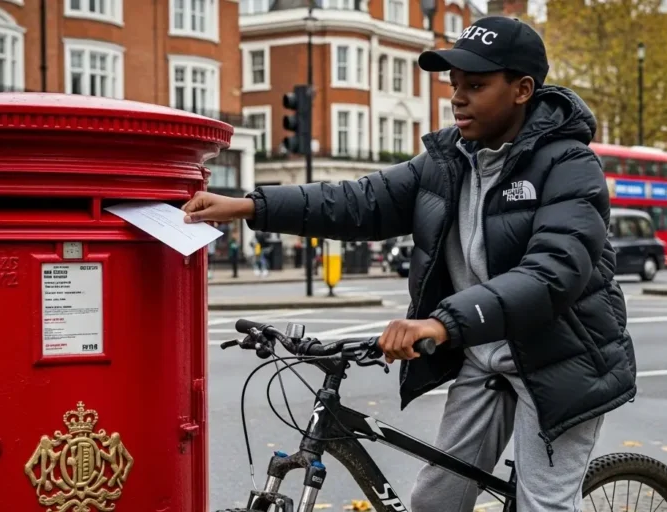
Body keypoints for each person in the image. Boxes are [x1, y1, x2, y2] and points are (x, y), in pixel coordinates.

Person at [182, 16, 636, 511]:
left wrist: (442, 324)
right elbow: (356, 201)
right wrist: (250, 206)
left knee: (542, 503)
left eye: (476, 86)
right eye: (454, 85)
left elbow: (554, 272)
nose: (458, 98)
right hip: (484, 356)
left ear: (523, 89)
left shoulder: (568, 164)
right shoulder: (447, 161)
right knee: (435, 502)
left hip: (562, 360)